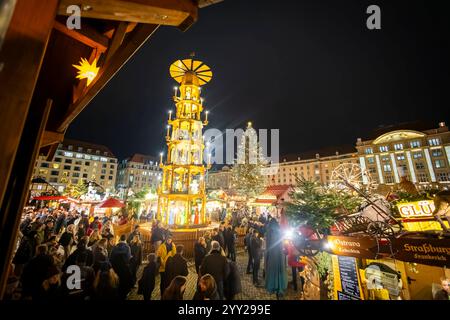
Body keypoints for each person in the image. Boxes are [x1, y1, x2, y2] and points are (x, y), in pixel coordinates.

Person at [110, 234, 133, 300]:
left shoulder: (115, 247)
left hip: (115, 268)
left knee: (116, 282)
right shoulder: (127, 247)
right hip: (124, 268)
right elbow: (128, 258)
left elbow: (111, 257)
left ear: (120, 239)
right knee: (123, 283)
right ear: (125, 239)